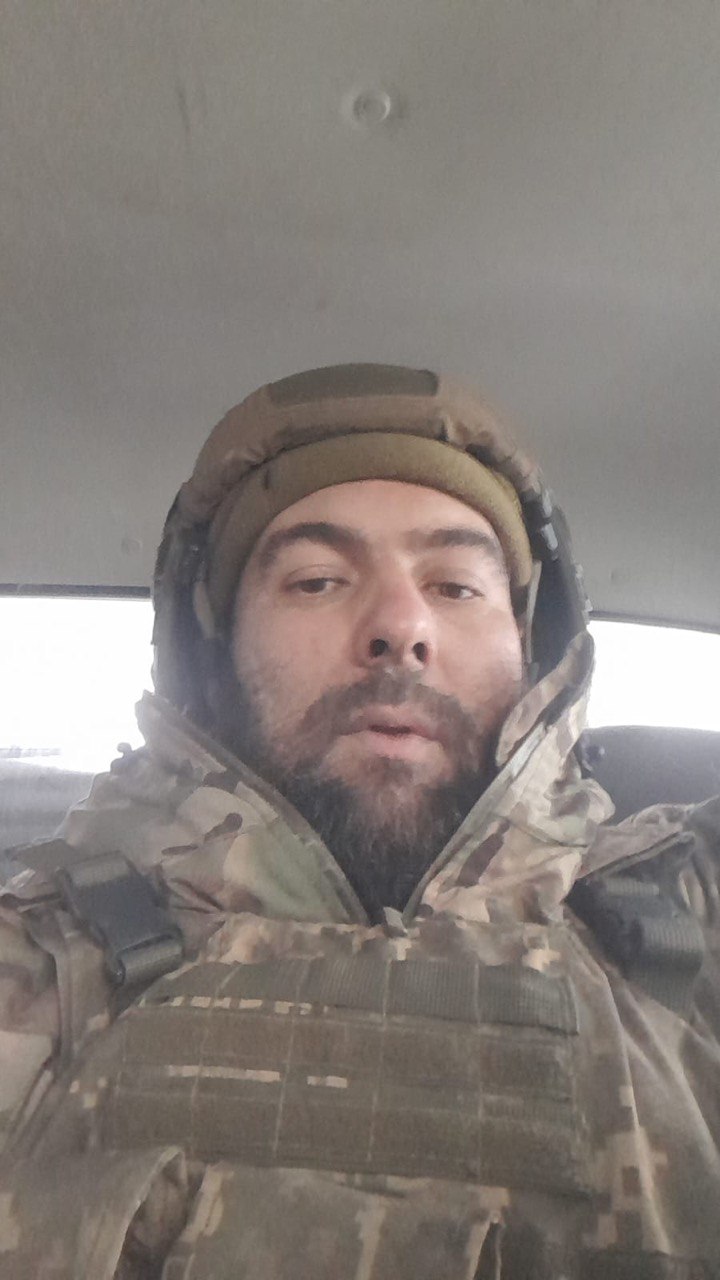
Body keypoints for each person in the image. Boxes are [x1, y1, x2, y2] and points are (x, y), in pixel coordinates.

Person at [0, 363, 718, 1279]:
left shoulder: (692, 926)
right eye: (317, 581)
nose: (400, 626)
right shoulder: (29, 966)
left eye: (456, 585)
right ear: (215, 657)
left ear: (530, 649)